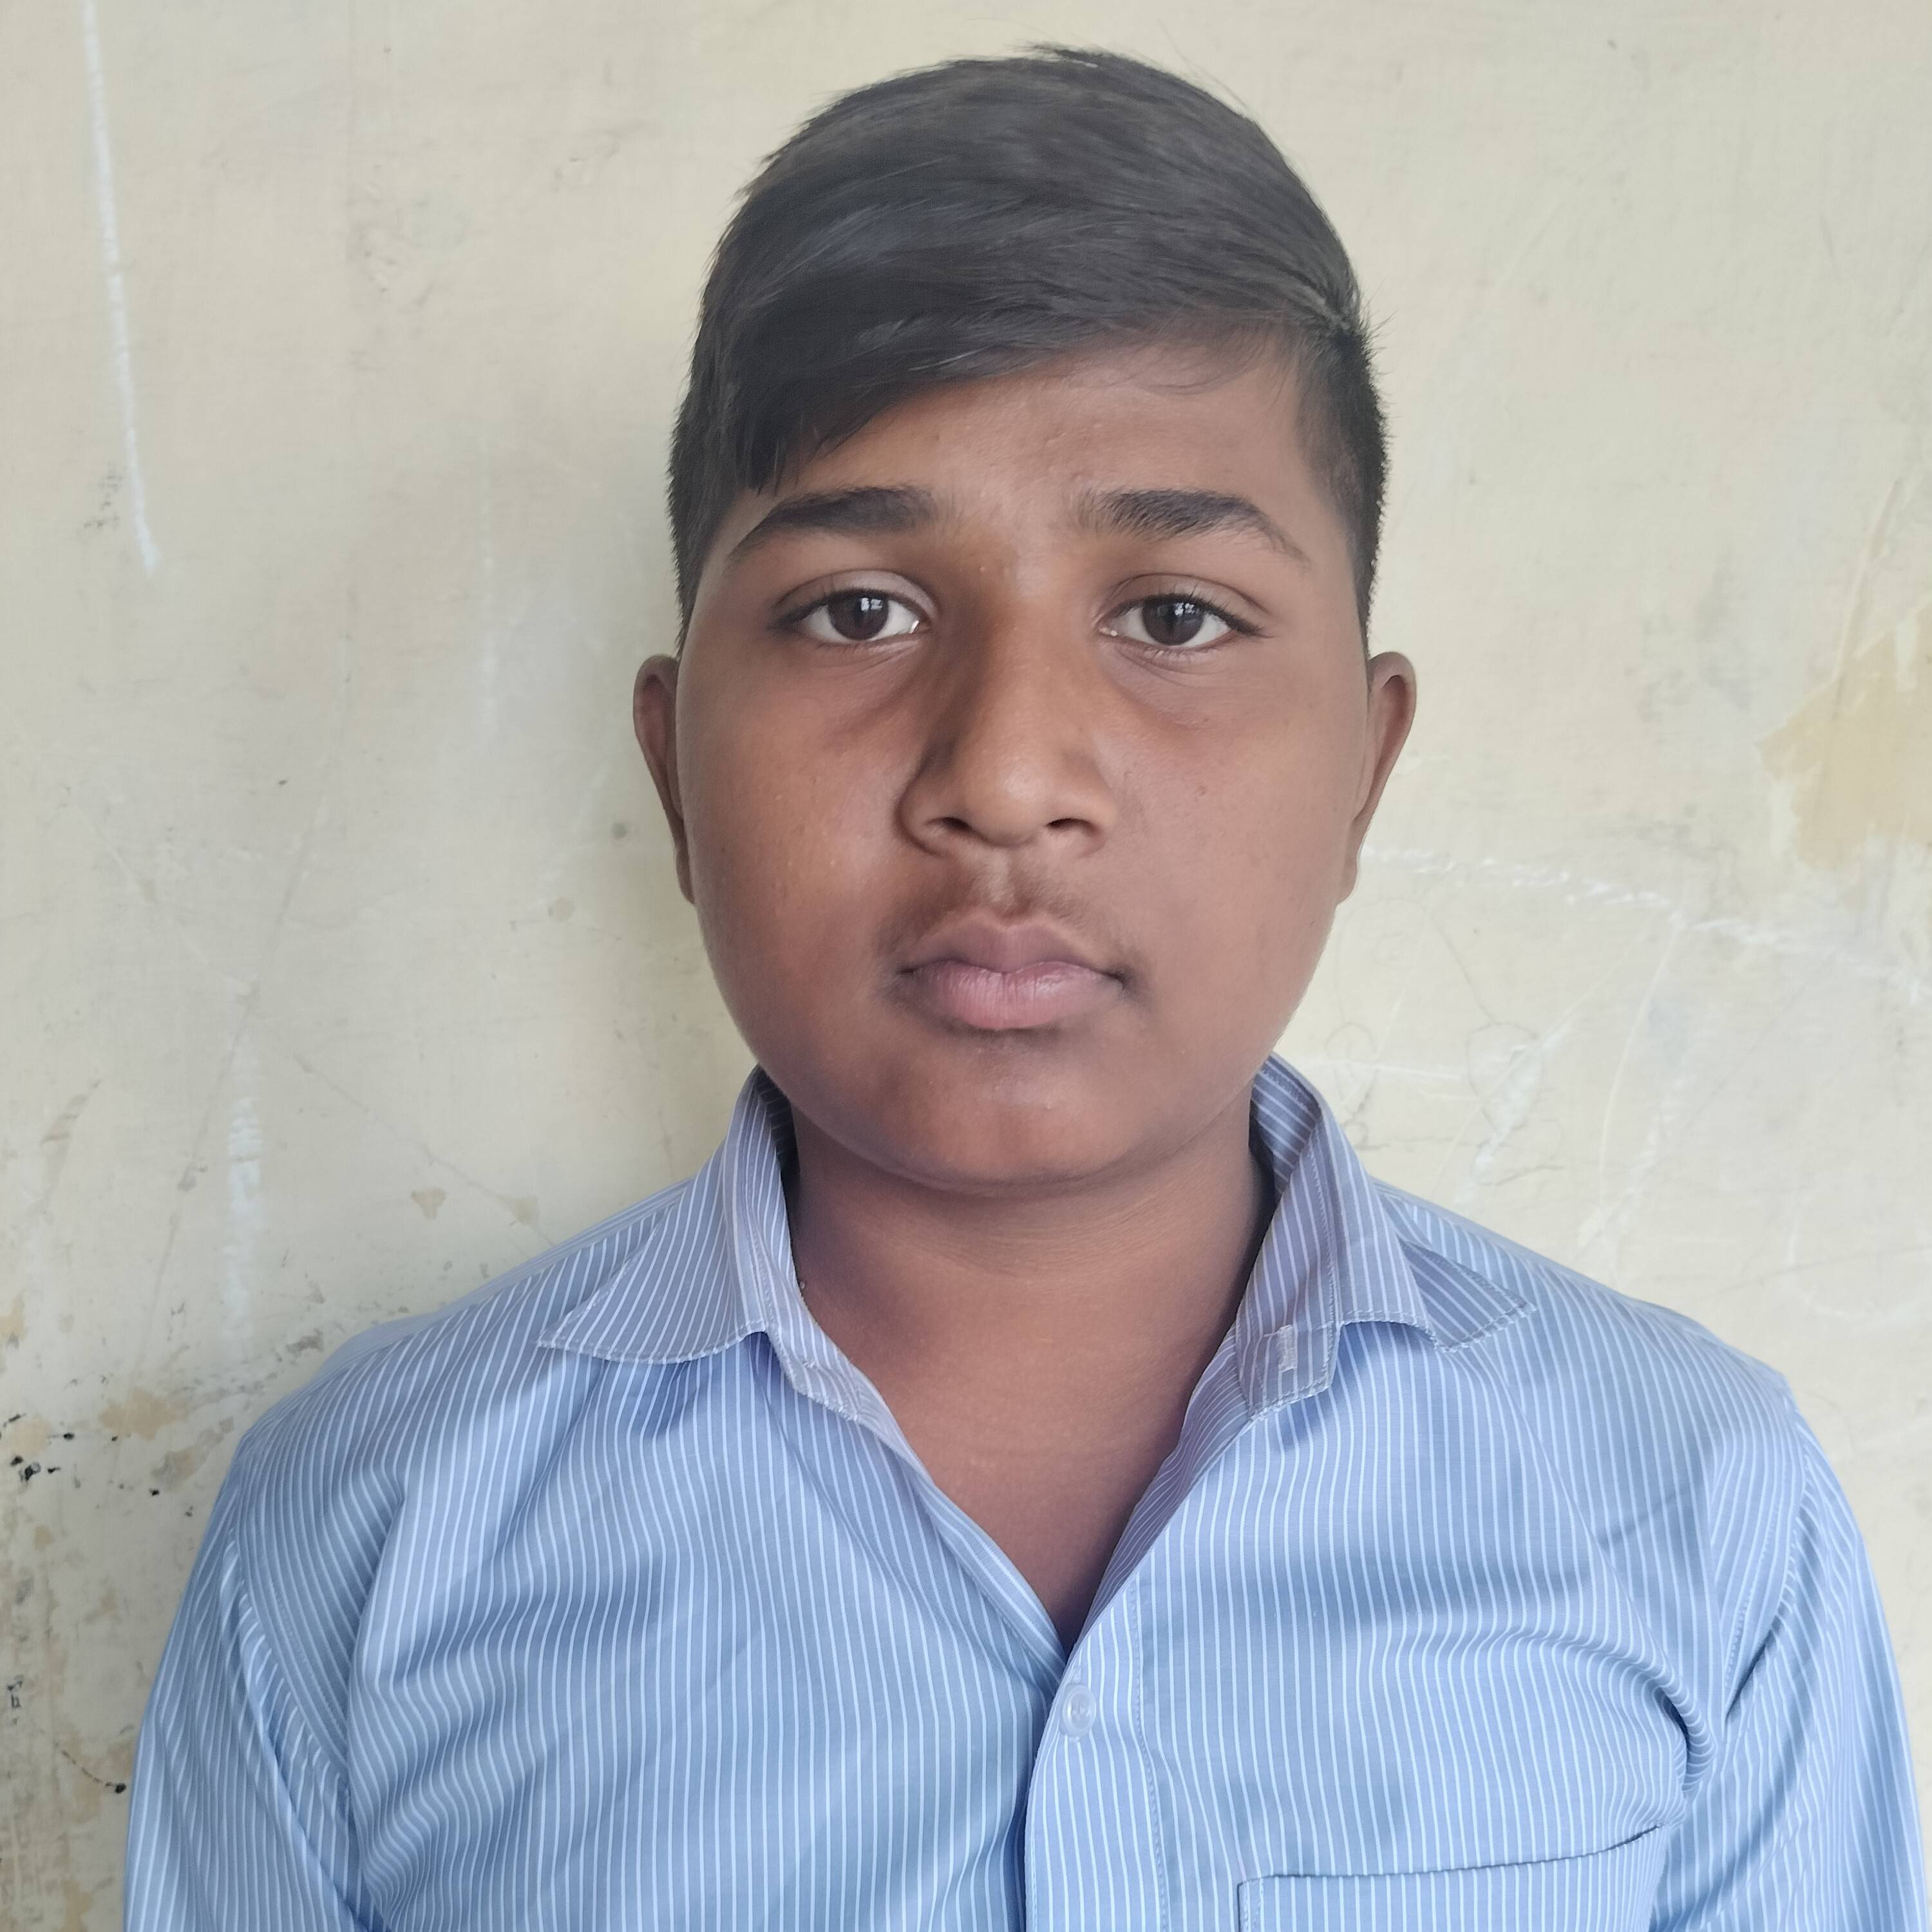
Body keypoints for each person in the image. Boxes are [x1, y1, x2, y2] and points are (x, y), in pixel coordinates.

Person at [124, 45, 1924, 1931]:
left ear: (1366, 771)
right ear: (671, 774)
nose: (1002, 772)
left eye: (1174, 616)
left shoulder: (1689, 1501)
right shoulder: (365, 1532)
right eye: (859, 611)